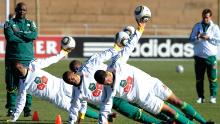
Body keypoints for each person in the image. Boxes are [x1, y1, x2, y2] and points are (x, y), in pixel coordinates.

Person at [93, 30, 215, 124]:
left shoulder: (117, 65)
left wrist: (140, 28)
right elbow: (104, 108)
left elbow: (129, 47)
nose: (108, 82)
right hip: (145, 100)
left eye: (107, 79)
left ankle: (205, 122)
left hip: (151, 83)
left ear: (108, 73)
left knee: (177, 101)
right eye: (105, 83)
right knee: (171, 112)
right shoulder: (108, 91)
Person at [62, 21, 149, 124]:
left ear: (74, 73)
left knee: (141, 98)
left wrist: (116, 48)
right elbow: (75, 106)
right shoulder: (77, 90)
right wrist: (73, 121)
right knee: (133, 111)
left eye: (71, 77)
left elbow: (101, 56)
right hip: (111, 95)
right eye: (69, 81)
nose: (72, 80)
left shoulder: (88, 67)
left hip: (117, 79)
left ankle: (157, 110)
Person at [6, 48, 99, 122]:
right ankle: (102, 116)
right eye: (18, 68)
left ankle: (104, 106)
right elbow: (20, 102)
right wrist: (14, 118)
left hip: (61, 84)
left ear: (22, 65)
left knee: (86, 95)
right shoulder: (22, 85)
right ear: (16, 72)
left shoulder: (33, 65)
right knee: (76, 108)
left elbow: (49, 61)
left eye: (20, 66)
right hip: (56, 98)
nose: (20, 68)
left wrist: (62, 53)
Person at [4, 2, 38, 116]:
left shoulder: (31, 23)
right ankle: (11, 108)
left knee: (27, 85)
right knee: (11, 85)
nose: (22, 12)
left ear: (26, 11)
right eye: (19, 10)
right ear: (16, 10)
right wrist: (25, 37)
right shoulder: (9, 23)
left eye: (24, 10)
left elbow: (33, 36)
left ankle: (27, 109)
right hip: (12, 58)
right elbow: (10, 38)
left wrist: (18, 33)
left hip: (28, 58)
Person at [189, 8, 220, 104]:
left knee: (213, 78)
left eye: (207, 17)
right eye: (204, 17)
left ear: (210, 17)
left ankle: (213, 97)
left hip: (211, 57)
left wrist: (209, 37)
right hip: (198, 57)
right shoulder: (197, 26)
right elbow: (191, 39)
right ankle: (200, 97)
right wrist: (198, 37)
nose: (205, 19)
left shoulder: (215, 27)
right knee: (199, 79)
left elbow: (218, 41)